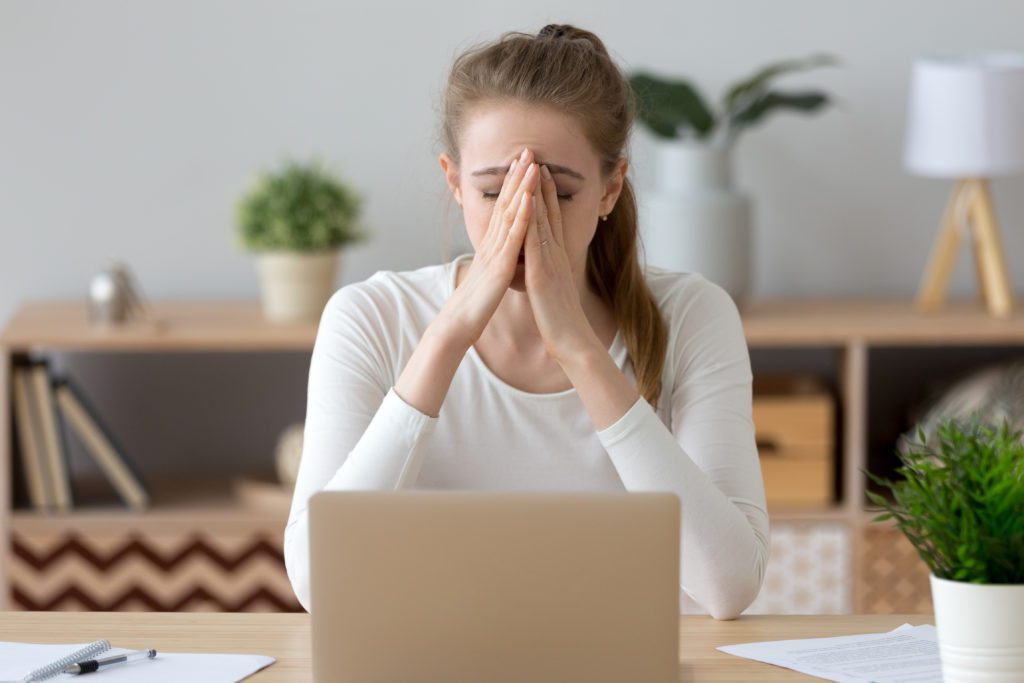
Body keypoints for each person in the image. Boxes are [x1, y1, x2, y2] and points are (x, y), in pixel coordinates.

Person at [283, 23, 769, 620]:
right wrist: (450, 334)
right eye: (495, 193)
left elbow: (727, 587)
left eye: (560, 195)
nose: (525, 219)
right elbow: (319, 583)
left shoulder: (694, 316)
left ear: (611, 187)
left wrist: (579, 349)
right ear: (455, 182)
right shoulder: (371, 318)